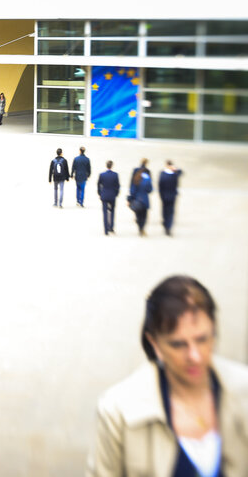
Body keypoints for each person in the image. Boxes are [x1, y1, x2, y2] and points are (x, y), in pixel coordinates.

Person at [87, 275, 248, 476]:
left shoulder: (243, 391)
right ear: (154, 343)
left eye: (202, 339)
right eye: (178, 344)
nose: (194, 356)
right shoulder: (118, 412)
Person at [159, 160, 183, 236]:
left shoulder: (163, 174)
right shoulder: (174, 174)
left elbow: (160, 186)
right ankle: (168, 226)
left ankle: (166, 224)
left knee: (166, 211)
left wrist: (161, 196)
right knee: (170, 212)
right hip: (172, 196)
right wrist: (176, 168)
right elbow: (180, 172)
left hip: (165, 196)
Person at [128, 166, 153, 236]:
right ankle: (142, 228)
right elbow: (150, 190)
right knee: (144, 216)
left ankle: (139, 227)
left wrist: (129, 199)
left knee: (138, 215)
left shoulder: (136, 178)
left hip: (136, 199)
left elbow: (132, 191)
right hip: (145, 200)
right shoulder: (147, 179)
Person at [97, 160, 120, 235]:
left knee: (105, 212)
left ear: (106, 166)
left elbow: (99, 184)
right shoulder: (115, 175)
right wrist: (116, 193)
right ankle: (111, 227)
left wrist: (100, 193)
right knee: (112, 211)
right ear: (112, 166)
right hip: (112, 195)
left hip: (104, 195)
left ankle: (106, 230)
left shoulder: (102, 175)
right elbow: (117, 186)